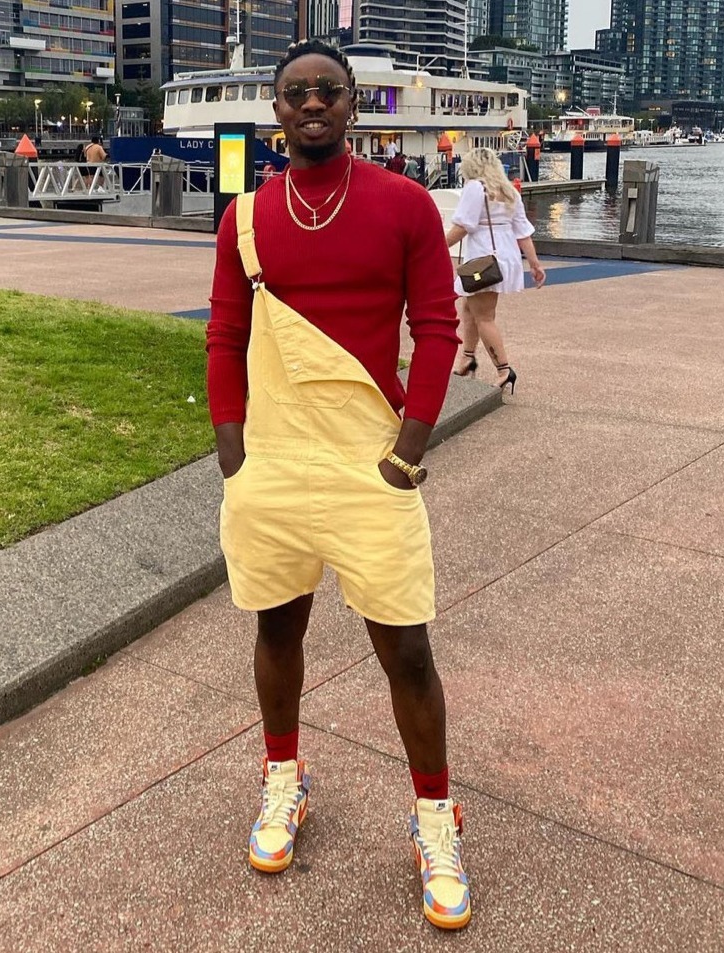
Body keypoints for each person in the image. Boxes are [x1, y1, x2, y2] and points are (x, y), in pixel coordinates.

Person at [206, 38, 471, 931]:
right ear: (275, 110)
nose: (311, 103)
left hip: (369, 461)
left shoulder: (403, 204)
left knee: (407, 651)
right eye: (296, 93)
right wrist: (233, 450)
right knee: (276, 630)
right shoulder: (244, 217)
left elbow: (437, 328)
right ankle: (284, 778)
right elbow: (223, 335)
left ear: (353, 103)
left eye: (328, 89)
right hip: (272, 461)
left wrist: (408, 448)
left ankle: (435, 818)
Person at [444, 146, 546, 391]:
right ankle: (467, 357)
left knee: (484, 317)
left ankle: (504, 369)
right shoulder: (509, 191)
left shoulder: (475, 188)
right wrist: (534, 263)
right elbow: (523, 231)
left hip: (483, 258)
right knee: (469, 308)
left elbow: (464, 226)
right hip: (505, 256)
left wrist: (437, 246)